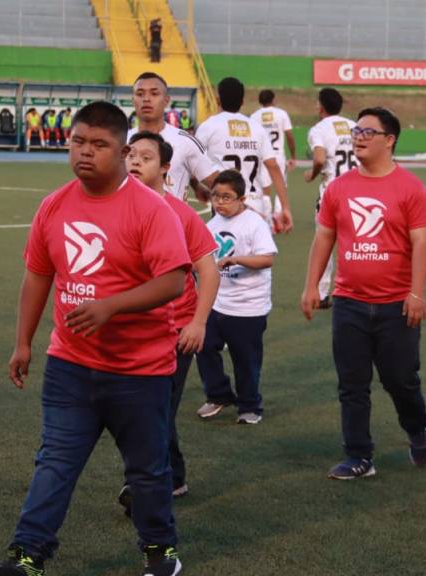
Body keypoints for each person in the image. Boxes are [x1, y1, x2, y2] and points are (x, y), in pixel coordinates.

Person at [0, 102, 189, 576]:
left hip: (140, 370)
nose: (86, 153)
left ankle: (160, 552)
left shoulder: (152, 210)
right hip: (70, 366)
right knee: (54, 464)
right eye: (78, 142)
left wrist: (112, 306)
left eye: (99, 145)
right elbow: (37, 276)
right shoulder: (54, 204)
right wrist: (23, 342)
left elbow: (173, 280)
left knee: (148, 471)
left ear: (123, 149)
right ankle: (26, 557)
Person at [301, 107, 426, 480]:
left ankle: (417, 429)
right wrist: (313, 285)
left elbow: (421, 243)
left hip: (396, 305)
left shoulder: (411, 188)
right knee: (352, 384)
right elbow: (324, 237)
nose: (358, 136)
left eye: (368, 132)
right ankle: (358, 455)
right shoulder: (339, 188)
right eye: (356, 130)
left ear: (389, 140)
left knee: (400, 380)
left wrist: (417, 293)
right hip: (350, 304)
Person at [116, 131, 220, 515]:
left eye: (146, 156)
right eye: (131, 155)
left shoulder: (180, 214)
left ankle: (143, 485)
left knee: (154, 410)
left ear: (165, 169)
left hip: (175, 331)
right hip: (128, 331)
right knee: (144, 410)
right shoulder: (111, 209)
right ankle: (172, 475)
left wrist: (198, 322)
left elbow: (208, 273)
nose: (135, 161)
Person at [194, 169, 277, 424]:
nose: (219, 202)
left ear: (242, 199)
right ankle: (218, 395)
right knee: (204, 347)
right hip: (217, 303)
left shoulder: (255, 223)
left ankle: (250, 405)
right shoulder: (212, 223)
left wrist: (235, 259)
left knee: (246, 361)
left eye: (227, 197)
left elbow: (267, 259)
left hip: (247, 308)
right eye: (216, 196)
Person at [196, 76, 293, 233]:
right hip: (255, 205)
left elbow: (194, 162)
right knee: (253, 255)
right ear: (242, 101)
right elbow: (274, 167)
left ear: (217, 99)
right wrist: (286, 207)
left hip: (225, 203)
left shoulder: (208, 127)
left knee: (225, 254)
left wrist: (197, 185)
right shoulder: (257, 128)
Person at [304, 87, 356, 308]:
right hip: (357, 191)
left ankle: (323, 293)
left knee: (324, 241)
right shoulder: (355, 126)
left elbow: (318, 158)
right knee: (356, 244)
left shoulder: (319, 129)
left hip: (332, 193)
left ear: (321, 106)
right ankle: (354, 290)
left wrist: (312, 174)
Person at [130, 72, 219, 202]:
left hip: (173, 220)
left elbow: (215, 181)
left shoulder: (185, 141)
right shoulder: (121, 141)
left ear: (166, 100)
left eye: (154, 93)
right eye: (140, 94)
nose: (146, 99)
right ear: (133, 100)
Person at [250, 89, 297, 183]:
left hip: (262, 157)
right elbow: (289, 136)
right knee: (281, 187)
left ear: (260, 101)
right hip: (278, 156)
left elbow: (251, 139)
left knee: (264, 189)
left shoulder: (254, 116)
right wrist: (293, 156)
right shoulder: (282, 114)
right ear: (273, 99)